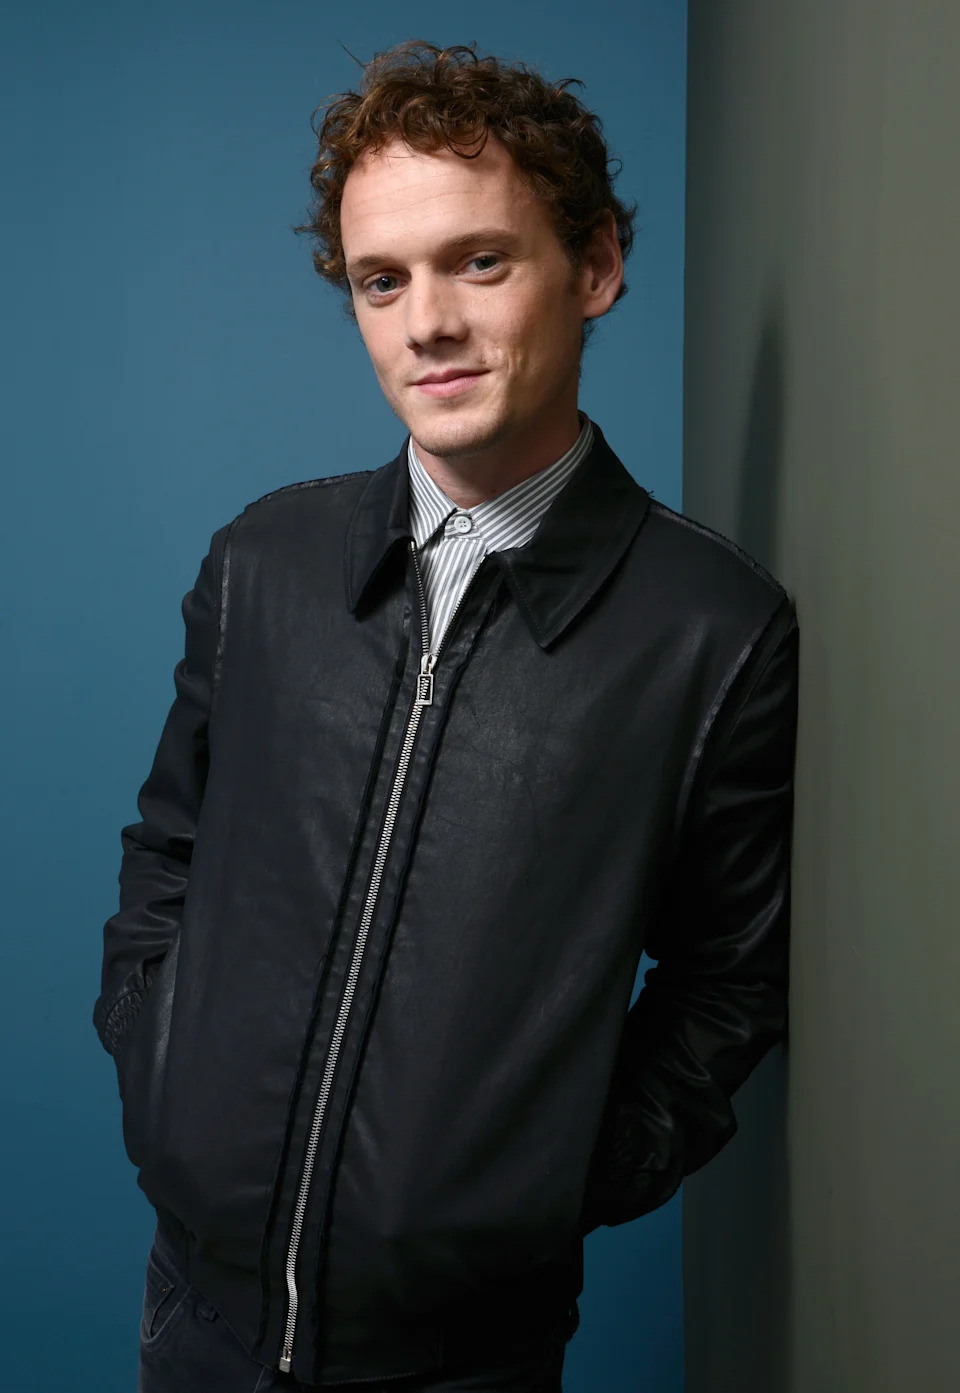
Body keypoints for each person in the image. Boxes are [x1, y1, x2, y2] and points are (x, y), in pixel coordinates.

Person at [94, 40, 799, 1393]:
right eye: (382, 278)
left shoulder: (713, 630)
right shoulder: (264, 563)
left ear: (592, 268)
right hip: (195, 1319)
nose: (426, 322)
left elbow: (730, 982)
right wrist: (162, 1068)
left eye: (480, 261)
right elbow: (165, 853)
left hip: (465, 1353)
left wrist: (540, 1181)